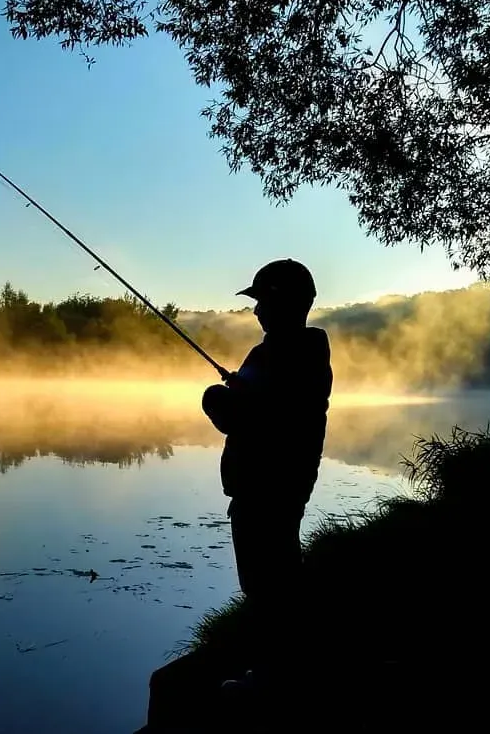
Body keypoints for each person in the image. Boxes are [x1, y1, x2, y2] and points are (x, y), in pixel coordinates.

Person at [201, 258, 332, 698]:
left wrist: (216, 398)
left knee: (267, 586)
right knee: (274, 582)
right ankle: (284, 672)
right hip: (278, 485)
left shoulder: (288, 353)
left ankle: (275, 683)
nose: (255, 312)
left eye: (261, 302)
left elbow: (253, 419)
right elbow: (267, 404)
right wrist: (241, 391)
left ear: (285, 303)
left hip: (266, 488)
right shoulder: (297, 352)